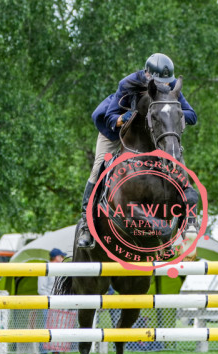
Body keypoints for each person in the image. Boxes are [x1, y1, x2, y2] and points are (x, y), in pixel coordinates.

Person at [77, 53, 198, 248]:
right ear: (148, 74)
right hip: (114, 131)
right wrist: (125, 118)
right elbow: (110, 117)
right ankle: (86, 224)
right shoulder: (128, 83)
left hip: (150, 133)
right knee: (98, 167)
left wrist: (169, 110)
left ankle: (186, 223)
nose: (164, 85)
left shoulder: (171, 85)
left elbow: (192, 115)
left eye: (167, 81)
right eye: (160, 82)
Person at [36, 248, 66, 354]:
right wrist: (51, 299)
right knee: (46, 326)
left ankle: (55, 349)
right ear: (57, 257)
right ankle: (43, 350)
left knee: (57, 326)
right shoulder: (45, 269)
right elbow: (41, 289)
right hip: (47, 303)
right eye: (62, 257)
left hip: (57, 303)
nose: (63, 259)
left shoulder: (60, 270)